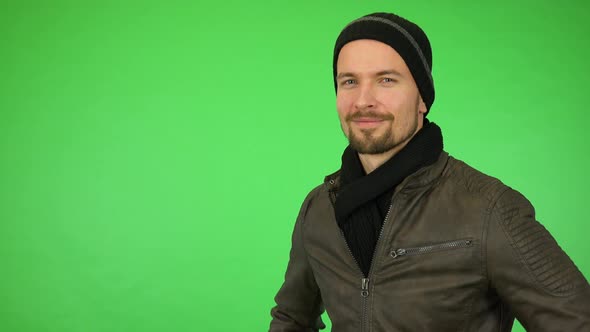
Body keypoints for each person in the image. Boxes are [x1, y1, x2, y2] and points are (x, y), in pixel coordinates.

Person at [268, 12, 590, 332]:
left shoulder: (489, 210)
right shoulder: (319, 209)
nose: (363, 101)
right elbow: (291, 319)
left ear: (422, 97)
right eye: (349, 81)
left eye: (386, 80)